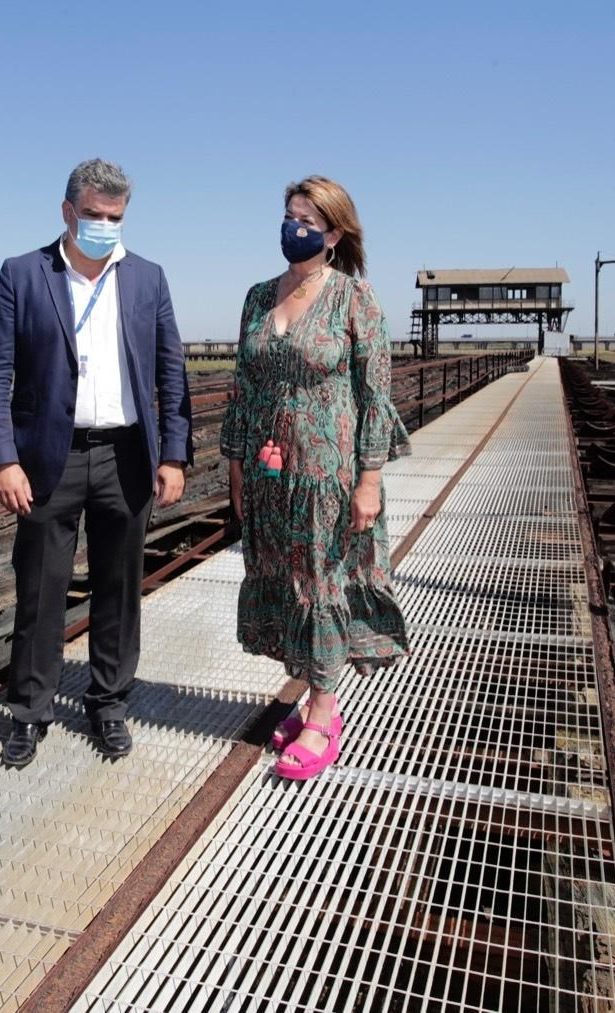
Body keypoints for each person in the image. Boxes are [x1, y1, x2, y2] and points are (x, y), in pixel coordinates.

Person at [0, 159, 193, 768]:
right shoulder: (22, 274)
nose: (104, 226)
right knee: (40, 590)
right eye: (93, 215)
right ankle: (29, 711)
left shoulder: (147, 278)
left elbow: (170, 374)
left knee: (119, 589)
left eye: (115, 218)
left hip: (127, 455)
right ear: (68, 211)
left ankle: (108, 704)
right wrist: (3, 461)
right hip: (50, 458)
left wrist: (174, 454)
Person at [220, 176, 410, 781]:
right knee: (279, 577)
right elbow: (243, 389)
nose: (293, 227)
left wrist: (370, 482)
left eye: (307, 219)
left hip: (328, 472)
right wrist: (235, 468)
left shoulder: (356, 299)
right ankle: (304, 687)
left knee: (320, 583)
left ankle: (325, 712)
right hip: (268, 471)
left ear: (333, 233)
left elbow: (375, 397)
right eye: (288, 214)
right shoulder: (256, 296)